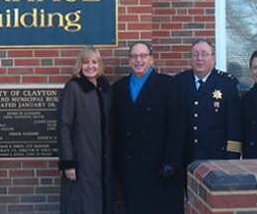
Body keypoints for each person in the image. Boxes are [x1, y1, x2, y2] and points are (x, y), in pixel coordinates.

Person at [112, 41, 186, 214]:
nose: (138, 60)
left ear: (151, 59)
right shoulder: (119, 88)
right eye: (134, 56)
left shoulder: (168, 85)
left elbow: (178, 126)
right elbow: (115, 130)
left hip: (160, 167)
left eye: (143, 56)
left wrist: (172, 161)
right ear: (129, 60)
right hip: (131, 168)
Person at [57, 46, 114, 214]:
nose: (91, 66)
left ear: (100, 65)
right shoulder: (73, 88)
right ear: (79, 65)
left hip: (102, 162)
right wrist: (68, 162)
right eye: (86, 62)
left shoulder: (105, 90)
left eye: (94, 62)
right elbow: (63, 126)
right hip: (81, 161)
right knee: (82, 205)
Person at [175, 38, 242, 166]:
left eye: (204, 54)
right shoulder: (179, 83)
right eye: (195, 54)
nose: (199, 58)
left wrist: (232, 160)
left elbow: (235, 127)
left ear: (213, 58)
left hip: (217, 158)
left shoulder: (227, 84)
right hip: (186, 158)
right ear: (190, 59)